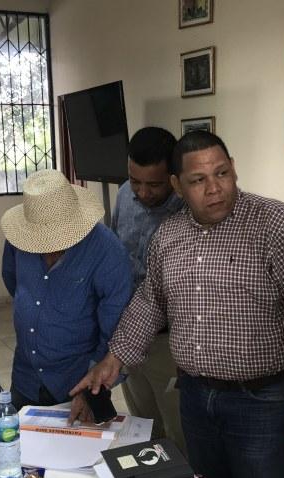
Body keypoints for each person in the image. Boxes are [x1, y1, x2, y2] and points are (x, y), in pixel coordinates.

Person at [72, 131, 284, 478]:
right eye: (198, 180)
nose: (214, 188)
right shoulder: (169, 235)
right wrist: (113, 358)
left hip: (262, 402)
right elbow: (151, 302)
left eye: (222, 173)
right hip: (195, 398)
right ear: (178, 186)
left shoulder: (278, 225)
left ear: (234, 170)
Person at [0, 169, 132, 413]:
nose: (49, 247)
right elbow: (14, 283)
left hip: (79, 383)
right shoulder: (19, 238)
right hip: (26, 378)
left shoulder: (106, 250)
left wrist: (93, 388)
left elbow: (116, 326)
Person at [111, 127, 186, 452]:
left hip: (169, 341)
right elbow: (115, 254)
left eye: (153, 184)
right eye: (135, 181)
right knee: (142, 426)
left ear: (173, 176)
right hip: (128, 331)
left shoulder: (188, 209)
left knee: (179, 430)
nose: (142, 192)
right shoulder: (123, 196)